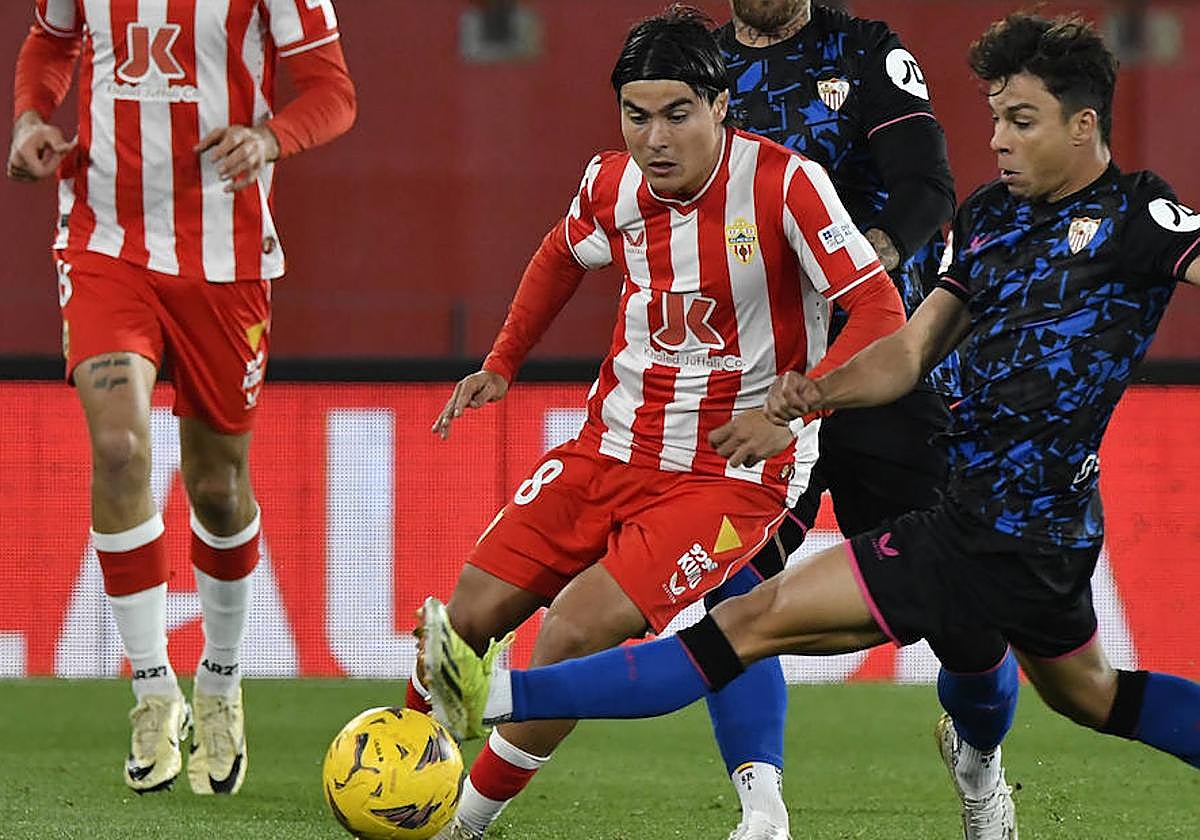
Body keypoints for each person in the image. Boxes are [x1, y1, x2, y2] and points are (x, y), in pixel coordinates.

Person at [420, 12, 1200, 836]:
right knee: (1089, 693)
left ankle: (976, 763)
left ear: (1084, 125)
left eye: (1020, 121)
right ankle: (763, 806)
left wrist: (824, 354)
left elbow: (903, 235)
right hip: (951, 503)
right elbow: (905, 355)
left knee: (913, 651)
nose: (998, 140)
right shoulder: (991, 219)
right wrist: (804, 400)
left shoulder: (1139, 215)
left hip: (1013, 531)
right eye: (997, 119)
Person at [410, 7, 908, 838]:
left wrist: (800, 407)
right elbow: (560, 254)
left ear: (721, 104)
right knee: (464, 618)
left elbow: (879, 309)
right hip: (611, 444)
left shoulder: (787, 184)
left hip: (731, 473)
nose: (656, 139)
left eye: (677, 113)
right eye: (636, 116)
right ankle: (399, 777)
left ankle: (460, 822)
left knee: (574, 631)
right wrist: (502, 362)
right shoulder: (611, 185)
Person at [8, 0, 355, 794]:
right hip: (104, 240)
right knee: (120, 446)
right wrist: (32, 118)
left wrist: (269, 137)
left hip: (224, 254)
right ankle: (152, 691)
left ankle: (222, 685)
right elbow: (52, 41)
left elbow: (333, 93)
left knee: (218, 488)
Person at [698, 4, 1021, 838]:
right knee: (731, 583)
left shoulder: (864, 49)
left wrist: (874, 250)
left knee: (968, 617)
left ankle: (981, 759)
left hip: (882, 371)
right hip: (760, 382)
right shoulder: (692, 64)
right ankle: (762, 810)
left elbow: (928, 187)